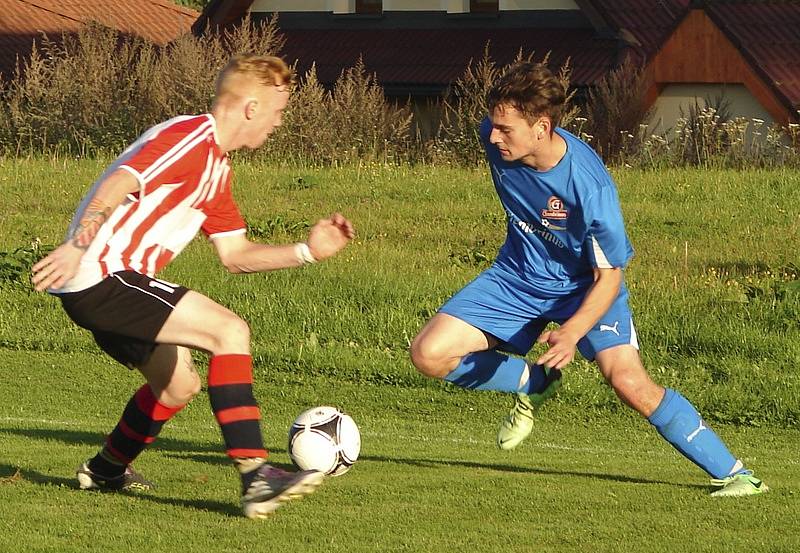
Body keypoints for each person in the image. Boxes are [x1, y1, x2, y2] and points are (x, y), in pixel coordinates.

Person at [410, 62, 767, 497]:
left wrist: (572, 331)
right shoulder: (496, 140)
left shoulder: (590, 188)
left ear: (541, 128)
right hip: (517, 276)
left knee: (628, 383)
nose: (492, 136)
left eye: (505, 129)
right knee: (429, 354)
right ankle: (534, 382)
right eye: (494, 125)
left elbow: (609, 277)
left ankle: (735, 474)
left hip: (587, 288)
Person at [31, 54, 356, 519]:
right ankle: (257, 476)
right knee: (230, 332)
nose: (279, 123)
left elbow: (236, 255)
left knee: (179, 385)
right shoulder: (189, 139)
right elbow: (122, 181)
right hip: (102, 275)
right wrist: (78, 247)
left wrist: (307, 251)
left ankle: (105, 470)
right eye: (278, 111)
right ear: (250, 107)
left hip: (110, 281)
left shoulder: (217, 170)